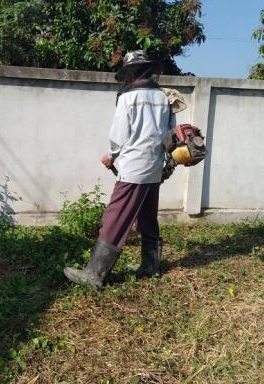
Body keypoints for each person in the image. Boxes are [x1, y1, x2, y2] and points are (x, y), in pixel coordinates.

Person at [63, 50, 175, 290]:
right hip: (155, 167)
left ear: (132, 73)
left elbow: (119, 135)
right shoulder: (164, 98)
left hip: (133, 167)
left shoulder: (128, 99)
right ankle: (150, 266)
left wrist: (111, 155)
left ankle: (94, 274)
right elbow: (170, 133)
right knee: (147, 216)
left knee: (115, 217)